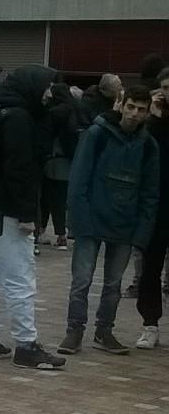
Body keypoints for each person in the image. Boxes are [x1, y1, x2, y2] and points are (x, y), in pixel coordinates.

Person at [0, 65, 65, 369]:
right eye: (47, 87)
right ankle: (26, 345)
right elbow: (20, 170)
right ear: (32, 86)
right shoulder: (19, 118)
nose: (49, 94)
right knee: (20, 277)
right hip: (8, 210)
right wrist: (27, 214)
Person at [57, 85, 159, 356]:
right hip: (92, 220)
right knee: (82, 281)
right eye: (131, 107)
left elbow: (150, 193)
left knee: (113, 284)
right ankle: (74, 330)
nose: (134, 114)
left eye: (141, 110)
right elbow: (79, 180)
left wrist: (141, 233)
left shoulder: (148, 145)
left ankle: (104, 331)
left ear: (147, 113)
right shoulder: (97, 134)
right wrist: (79, 221)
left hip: (125, 225)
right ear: (121, 105)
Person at [134, 68, 169, 349]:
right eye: (165, 88)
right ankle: (150, 324)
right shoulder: (151, 124)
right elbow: (143, 153)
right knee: (150, 269)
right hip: (155, 205)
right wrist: (154, 119)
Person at [38, 81, 83, 251]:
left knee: (46, 198)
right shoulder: (76, 109)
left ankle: (43, 230)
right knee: (61, 199)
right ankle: (62, 234)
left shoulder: (53, 112)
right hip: (68, 161)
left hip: (52, 159)